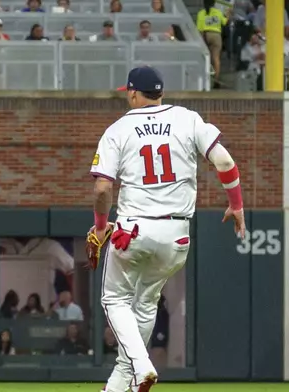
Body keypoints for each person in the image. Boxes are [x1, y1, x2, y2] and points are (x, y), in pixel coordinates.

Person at [90, 66, 245, 392]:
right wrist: (236, 205)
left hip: (133, 230)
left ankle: (142, 365)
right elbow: (226, 163)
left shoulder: (119, 128)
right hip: (177, 234)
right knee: (145, 304)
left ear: (133, 92)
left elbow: (102, 189)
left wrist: (101, 226)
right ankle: (127, 377)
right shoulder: (188, 119)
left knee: (114, 300)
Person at [196, 0, 229, 88]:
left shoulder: (201, 13)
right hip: (216, 35)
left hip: (205, 35)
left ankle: (206, 79)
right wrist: (228, 14)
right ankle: (216, 80)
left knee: (206, 58)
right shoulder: (218, 12)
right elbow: (224, 22)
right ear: (214, 3)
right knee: (216, 58)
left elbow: (199, 29)